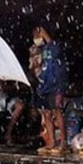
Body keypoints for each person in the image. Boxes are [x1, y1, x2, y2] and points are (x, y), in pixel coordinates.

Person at [32, 26, 69, 155]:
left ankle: (63, 142)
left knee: (57, 112)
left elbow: (56, 50)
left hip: (55, 86)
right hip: (44, 86)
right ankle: (52, 141)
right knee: (46, 113)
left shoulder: (54, 47)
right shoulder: (40, 50)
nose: (36, 39)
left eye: (37, 36)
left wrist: (46, 35)